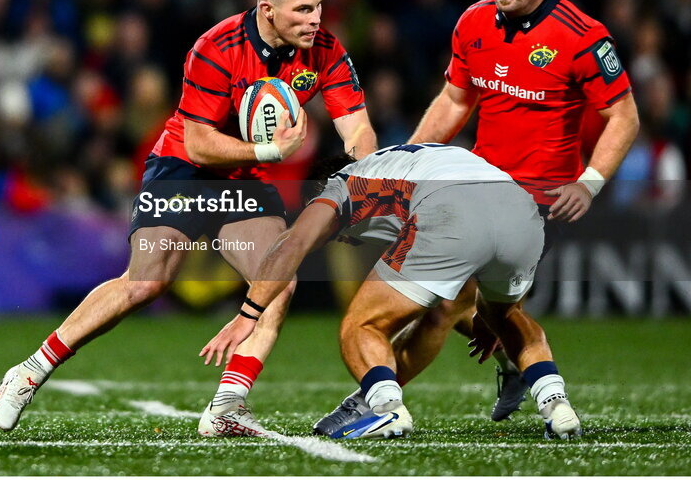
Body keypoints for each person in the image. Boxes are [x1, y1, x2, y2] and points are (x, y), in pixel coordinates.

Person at [0, 0, 377, 437]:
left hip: (244, 177)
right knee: (145, 284)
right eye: (302, 10)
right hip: (184, 167)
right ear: (267, 10)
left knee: (280, 278)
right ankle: (29, 371)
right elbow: (197, 141)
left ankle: (228, 406)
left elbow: (357, 126)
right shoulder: (216, 47)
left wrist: (361, 179)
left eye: (318, 6)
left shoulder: (325, 49)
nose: (315, 19)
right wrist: (270, 150)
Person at [314, 0, 639, 434]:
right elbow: (454, 99)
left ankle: (377, 401)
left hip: (537, 202)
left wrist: (590, 181)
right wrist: (411, 167)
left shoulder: (582, 36)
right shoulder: (473, 23)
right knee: (474, 309)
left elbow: (624, 115)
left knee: (445, 309)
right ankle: (518, 375)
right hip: (472, 185)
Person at [200, 143, 583, 440]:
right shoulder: (403, 162)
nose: (342, 241)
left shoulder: (341, 185)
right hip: (521, 210)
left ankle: (385, 406)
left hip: (450, 210)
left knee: (361, 325)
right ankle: (555, 403)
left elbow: (291, 245)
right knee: (509, 317)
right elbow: (471, 252)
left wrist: (248, 313)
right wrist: (489, 316)